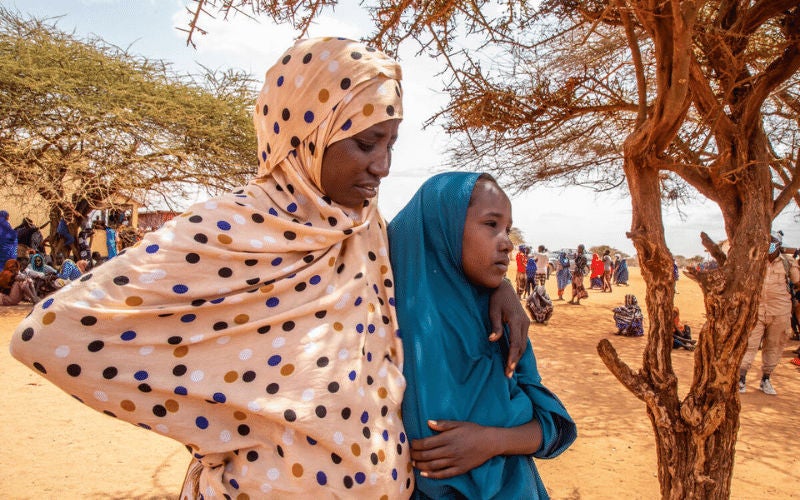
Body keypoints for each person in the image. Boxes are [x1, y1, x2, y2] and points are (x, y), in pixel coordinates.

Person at [10, 37, 529, 498]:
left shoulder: (366, 227)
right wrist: (220, 422)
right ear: (307, 133)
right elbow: (50, 335)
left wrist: (499, 289)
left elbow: (440, 260)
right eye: (366, 143)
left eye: (391, 143)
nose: (383, 166)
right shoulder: (225, 230)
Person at [388, 172, 576, 499]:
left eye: (508, 229)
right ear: (441, 227)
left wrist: (490, 441)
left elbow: (552, 427)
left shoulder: (502, 323)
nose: (507, 241)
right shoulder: (388, 314)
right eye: (491, 225)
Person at [738, 230, 800, 395]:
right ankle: (741, 378)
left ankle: (766, 379)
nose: (770, 244)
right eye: (768, 240)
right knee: (750, 344)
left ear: (779, 244)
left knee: (774, 345)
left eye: (773, 241)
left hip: (780, 312)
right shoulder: (755, 260)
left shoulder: (788, 263)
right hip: (757, 310)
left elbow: (797, 282)